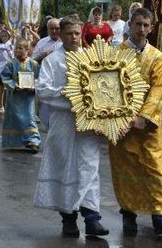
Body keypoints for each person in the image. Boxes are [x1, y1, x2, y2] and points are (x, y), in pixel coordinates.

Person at [34, 15, 109, 237]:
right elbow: (43, 90)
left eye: (77, 33)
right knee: (65, 169)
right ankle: (68, 219)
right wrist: (71, 97)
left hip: (88, 125)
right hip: (64, 124)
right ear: (62, 35)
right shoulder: (52, 61)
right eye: (69, 33)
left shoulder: (90, 59)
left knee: (89, 167)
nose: (74, 37)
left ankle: (92, 219)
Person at [112, 8, 162, 236]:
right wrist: (121, 117)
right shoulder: (116, 54)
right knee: (125, 170)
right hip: (121, 124)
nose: (141, 29)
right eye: (138, 24)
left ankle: (160, 216)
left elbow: (158, 89)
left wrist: (143, 117)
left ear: (151, 27)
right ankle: (128, 215)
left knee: (154, 167)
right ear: (130, 24)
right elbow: (108, 88)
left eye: (145, 25)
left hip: (148, 124)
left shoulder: (157, 57)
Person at [0, 37, 41, 152]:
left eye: (20, 48)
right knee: (15, 119)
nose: (18, 51)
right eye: (16, 48)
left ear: (27, 50)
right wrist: (14, 85)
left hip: (28, 97)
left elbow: (39, 78)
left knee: (29, 117)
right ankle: (14, 142)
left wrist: (34, 87)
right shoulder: (11, 64)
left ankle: (33, 141)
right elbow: (5, 77)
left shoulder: (33, 64)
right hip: (15, 97)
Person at [0, 28, 13, 116]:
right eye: (2, 36)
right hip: (1, 67)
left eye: (6, 36)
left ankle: (10, 106)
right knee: (0, 88)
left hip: (10, 67)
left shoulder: (11, 45)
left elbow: (13, 55)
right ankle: (1, 105)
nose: (4, 37)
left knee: (10, 88)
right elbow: (4, 47)